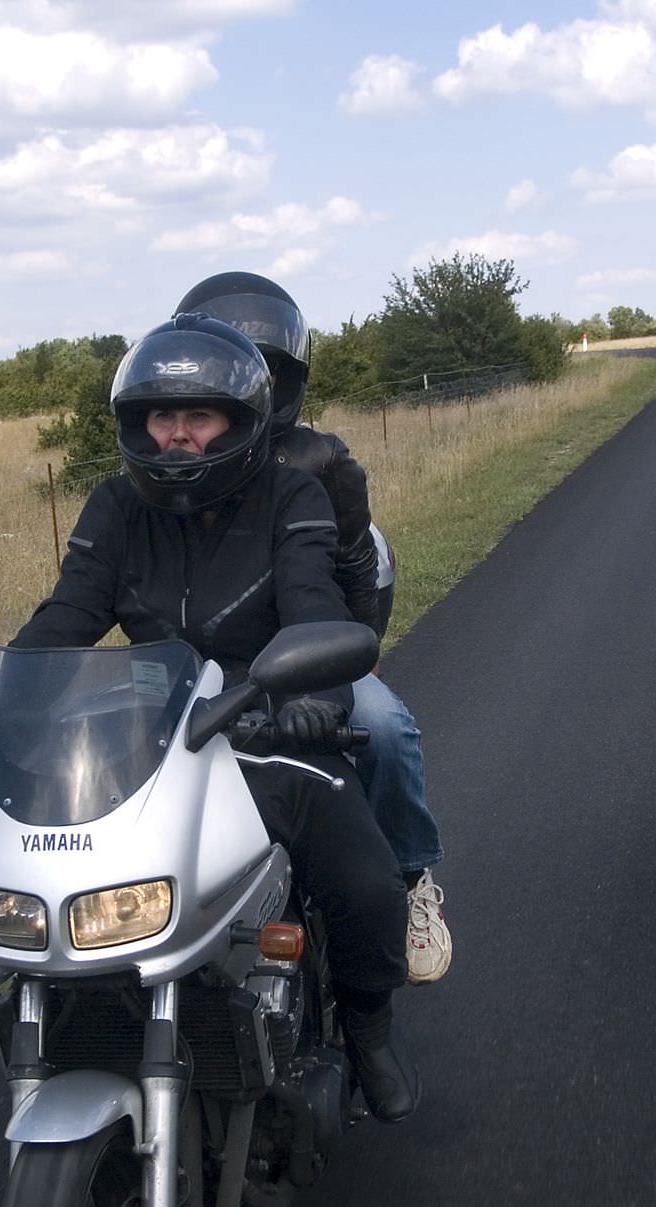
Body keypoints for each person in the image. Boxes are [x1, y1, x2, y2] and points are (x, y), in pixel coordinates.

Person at [12, 313, 419, 1122]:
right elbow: (68, 617)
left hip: (267, 718)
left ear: (240, 423)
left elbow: (312, 603)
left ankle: (370, 1029)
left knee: (368, 884)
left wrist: (312, 698)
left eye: (198, 418)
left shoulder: (290, 493)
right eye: (162, 417)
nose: (177, 437)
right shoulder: (116, 506)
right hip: (152, 732)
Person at [175, 271, 452, 983]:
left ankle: (412, 877)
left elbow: (360, 563)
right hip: (203, 665)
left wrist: (357, 655)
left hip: (313, 645)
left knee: (385, 730)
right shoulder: (171, 460)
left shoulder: (322, 459)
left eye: (264, 369)